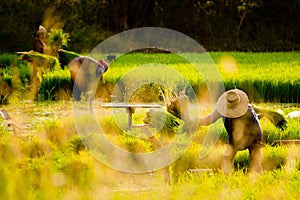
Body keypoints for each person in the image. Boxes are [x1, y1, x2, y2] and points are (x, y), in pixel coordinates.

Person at [199, 89, 263, 174]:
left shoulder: (247, 110)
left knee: (255, 162)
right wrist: (194, 121)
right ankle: (227, 179)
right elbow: (208, 120)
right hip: (234, 138)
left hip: (254, 137)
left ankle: (257, 181)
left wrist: (255, 144)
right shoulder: (221, 109)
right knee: (227, 158)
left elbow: (256, 125)